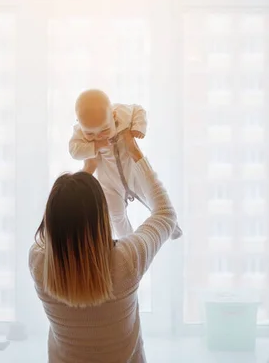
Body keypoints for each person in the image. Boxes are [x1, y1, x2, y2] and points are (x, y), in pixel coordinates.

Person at [29, 130, 178, 362]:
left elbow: (56, 228)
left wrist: (86, 171)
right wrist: (135, 152)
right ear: (101, 219)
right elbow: (166, 215)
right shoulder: (125, 262)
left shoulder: (39, 265)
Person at [68, 88, 182, 240]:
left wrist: (138, 127)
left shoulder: (121, 113)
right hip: (109, 183)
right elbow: (74, 150)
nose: (98, 136)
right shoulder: (80, 132)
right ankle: (127, 240)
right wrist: (94, 147)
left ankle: (172, 227)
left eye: (104, 130)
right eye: (90, 134)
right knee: (115, 214)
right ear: (79, 125)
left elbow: (138, 110)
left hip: (132, 173)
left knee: (150, 196)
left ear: (113, 115)